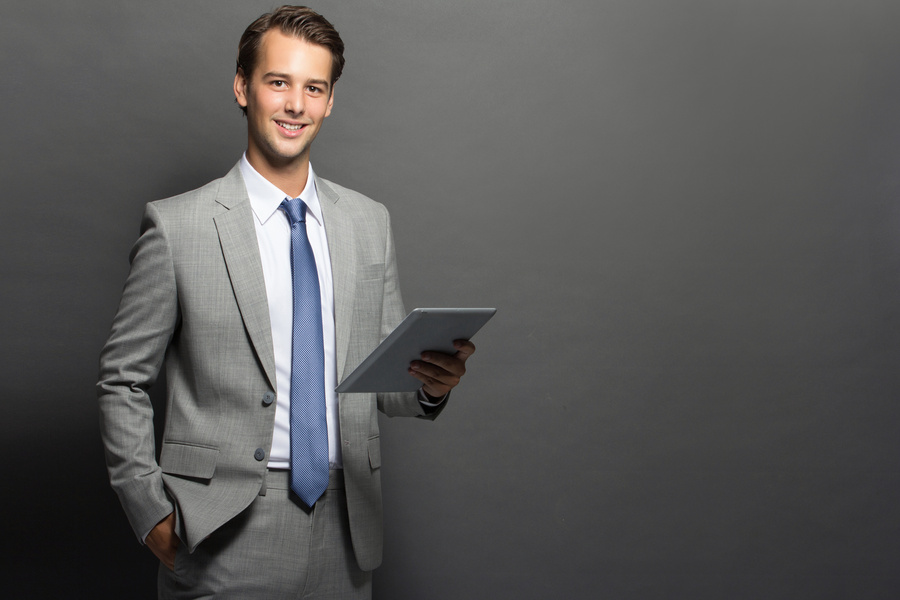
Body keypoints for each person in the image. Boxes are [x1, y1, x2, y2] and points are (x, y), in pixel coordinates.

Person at [97, 6, 475, 598]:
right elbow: (122, 380)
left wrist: (432, 383)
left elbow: (384, 385)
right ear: (243, 88)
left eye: (313, 88)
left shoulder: (368, 223)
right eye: (279, 82)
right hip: (222, 524)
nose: (295, 104)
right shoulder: (178, 227)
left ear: (329, 103)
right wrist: (150, 512)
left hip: (347, 525)